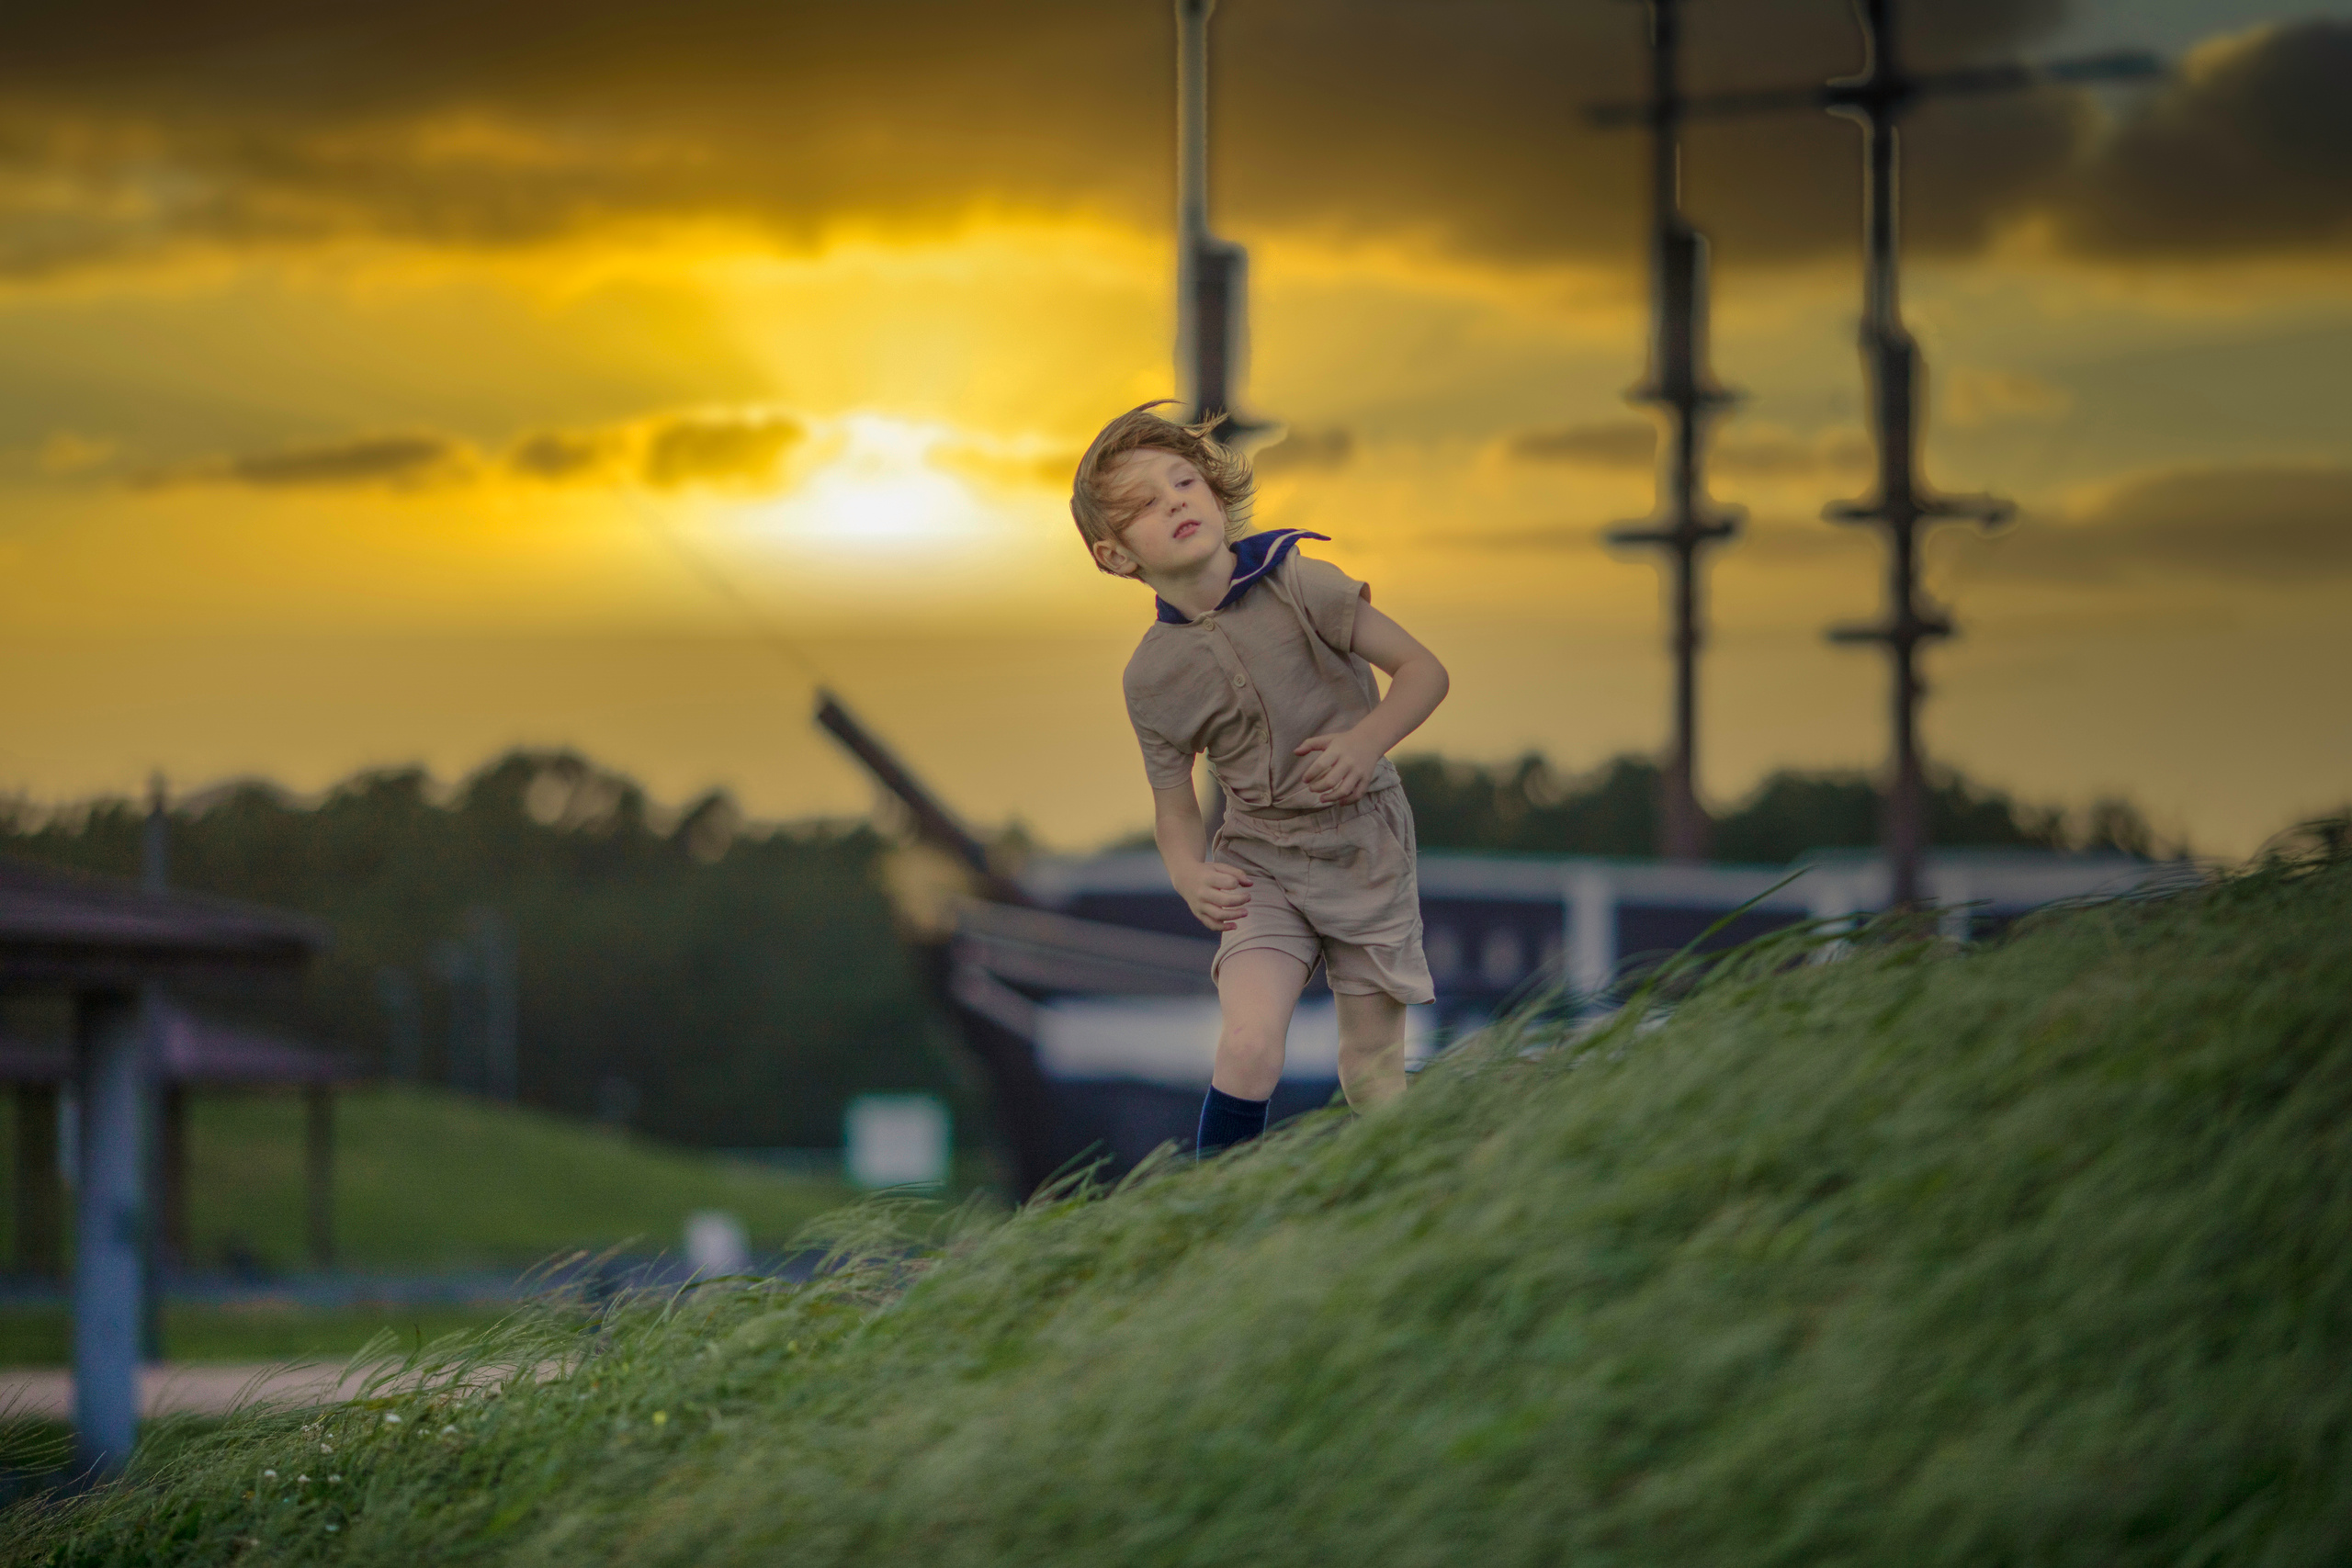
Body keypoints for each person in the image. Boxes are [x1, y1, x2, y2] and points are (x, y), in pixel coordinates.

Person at [1070, 402, 1450, 1156]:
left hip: (1363, 847)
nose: (1174, 500)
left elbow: (1424, 671)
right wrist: (1187, 872)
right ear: (1115, 556)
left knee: (1371, 1070)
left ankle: (1419, 1194)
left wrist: (1367, 741)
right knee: (1248, 1048)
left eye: (1184, 482)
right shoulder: (1151, 676)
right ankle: (1214, 1217)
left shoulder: (1305, 584)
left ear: (1216, 495)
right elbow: (1175, 809)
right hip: (1259, 863)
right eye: (1144, 504)